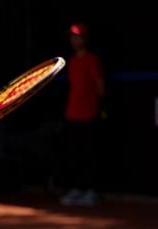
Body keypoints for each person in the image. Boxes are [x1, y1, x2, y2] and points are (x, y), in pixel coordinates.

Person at [59, 23, 105, 207]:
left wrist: (98, 107)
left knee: (89, 155)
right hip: (72, 115)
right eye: (72, 37)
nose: (75, 40)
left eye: (78, 37)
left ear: (85, 39)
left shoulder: (92, 59)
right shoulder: (72, 61)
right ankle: (78, 189)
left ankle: (91, 192)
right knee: (74, 155)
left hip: (89, 115)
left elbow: (100, 87)